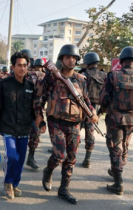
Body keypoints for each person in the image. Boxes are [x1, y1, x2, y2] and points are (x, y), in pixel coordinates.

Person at [34, 44, 98, 204]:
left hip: (75, 124)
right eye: (68, 57)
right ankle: (48, 171)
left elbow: (86, 100)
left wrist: (93, 112)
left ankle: (64, 188)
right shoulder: (51, 77)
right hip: (56, 122)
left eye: (74, 58)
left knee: (71, 157)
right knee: (59, 155)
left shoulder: (82, 80)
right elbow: (39, 98)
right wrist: (39, 117)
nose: (71, 60)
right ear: (62, 59)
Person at [99, 46, 133, 195]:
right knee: (125, 146)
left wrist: (102, 110)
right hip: (132, 120)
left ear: (121, 61)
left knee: (115, 148)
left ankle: (118, 182)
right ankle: (118, 169)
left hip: (114, 119)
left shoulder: (113, 76)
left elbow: (103, 98)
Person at [0, 51, 35, 200]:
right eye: (19, 65)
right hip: (8, 128)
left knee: (21, 159)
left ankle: (15, 183)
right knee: (12, 156)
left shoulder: (30, 86)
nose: (22, 68)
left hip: (24, 128)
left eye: (24, 65)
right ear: (13, 67)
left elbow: (34, 109)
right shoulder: (4, 85)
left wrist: (40, 124)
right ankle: (8, 183)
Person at [80, 52, 107, 168]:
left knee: (75, 130)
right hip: (96, 107)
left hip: (83, 105)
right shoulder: (104, 75)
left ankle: (69, 155)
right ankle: (87, 159)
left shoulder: (83, 74)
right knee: (90, 132)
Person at [26, 58, 46, 170]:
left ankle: (28, 157)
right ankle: (30, 157)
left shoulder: (26, 74)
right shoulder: (45, 76)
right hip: (36, 110)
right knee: (35, 134)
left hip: (26, 109)